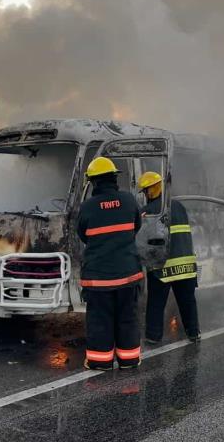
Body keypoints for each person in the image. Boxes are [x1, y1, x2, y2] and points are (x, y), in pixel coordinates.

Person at [77, 157, 144, 370]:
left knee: (100, 320)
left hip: (99, 279)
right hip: (128, 275)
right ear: (115, 178)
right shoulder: (129, 201)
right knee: (127, 318)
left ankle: (100, 362)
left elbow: (83, 235)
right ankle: (130, 359)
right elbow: (136, 226)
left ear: (93, 182)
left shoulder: (87, 207)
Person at [137, 171, 200, 344]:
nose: (145, 195)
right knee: (188, 302)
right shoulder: (179, 206)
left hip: (161, 266)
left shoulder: (147, 211)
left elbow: (141, 240)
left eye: (145, 191)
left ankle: (153, 336)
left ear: (150, 191)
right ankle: (194, 333)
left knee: (156, 304)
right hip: (186, 265)